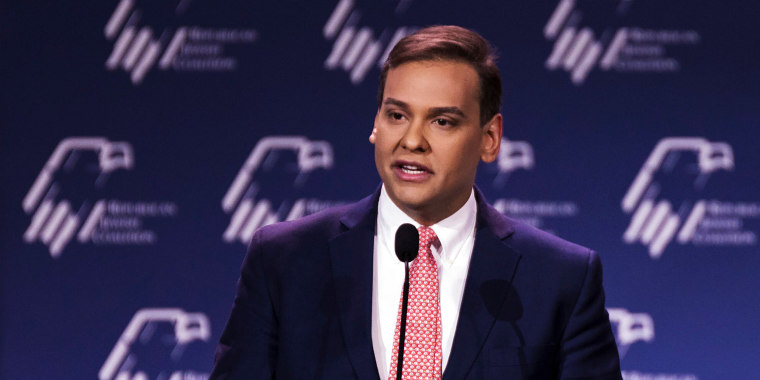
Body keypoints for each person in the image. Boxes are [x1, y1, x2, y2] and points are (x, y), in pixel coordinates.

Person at [210, 25, 622, 379]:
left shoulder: (560, 279)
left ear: (489, 138)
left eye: (442, 121)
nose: (411, 141)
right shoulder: (285, 260)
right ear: (376, 125)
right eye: (396, 115)